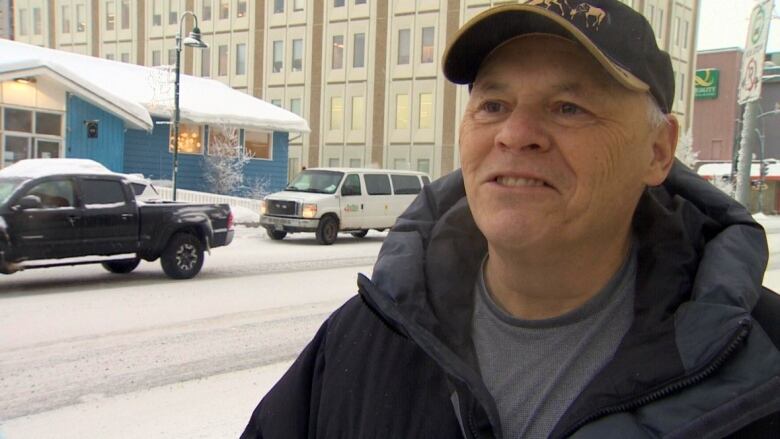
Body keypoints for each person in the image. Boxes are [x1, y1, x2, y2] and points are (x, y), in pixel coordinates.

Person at [241, 1, 780, 437]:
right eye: (493, 104)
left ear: (659, 151)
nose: (514, 133)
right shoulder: (362, 341)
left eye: (569, 107)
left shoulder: (759, 365)